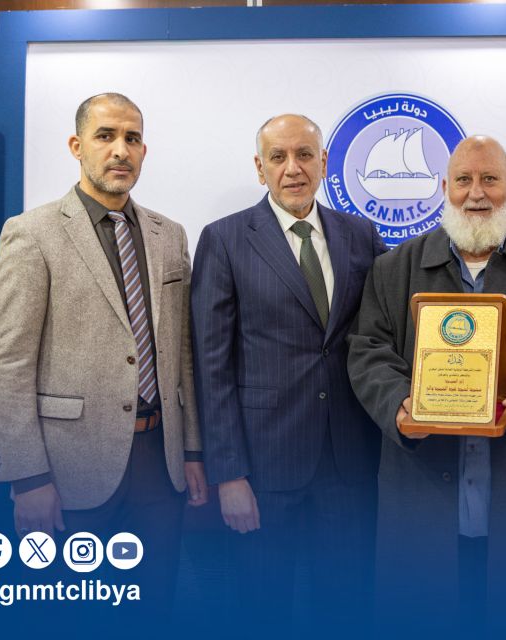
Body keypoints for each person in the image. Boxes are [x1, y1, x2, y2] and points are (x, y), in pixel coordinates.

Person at [346, 135, 506, 633]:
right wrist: (400, 404)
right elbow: (367, 351)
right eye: (463, 180)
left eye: (490, 179)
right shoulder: (393, 268)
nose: (476, 193)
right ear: (443, 187)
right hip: (423, 498)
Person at [0, 93, 207, 612]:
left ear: (144, 150)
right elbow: (9, 365)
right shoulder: (31, 234)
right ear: (77, 145)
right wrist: (28, 478)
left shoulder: (170, 235)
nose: (120, 150)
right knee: (75, 615)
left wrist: (193, 450)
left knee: (153, 609)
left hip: (160, 465)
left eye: (132, 138)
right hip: (69, 470)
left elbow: (182, 355)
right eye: (105, 136)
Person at [190, 114, 386, 628]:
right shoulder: (225, 239)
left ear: (324, 162)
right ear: (260, 168)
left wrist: (500, 245)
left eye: (304, 155)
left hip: (348, 463)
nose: (292, 168)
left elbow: (408, 292)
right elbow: (211, 365)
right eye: (278, 157)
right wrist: (229, 475)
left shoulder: (360, 234)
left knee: (345, 612)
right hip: (263, 467)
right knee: (262, 611)